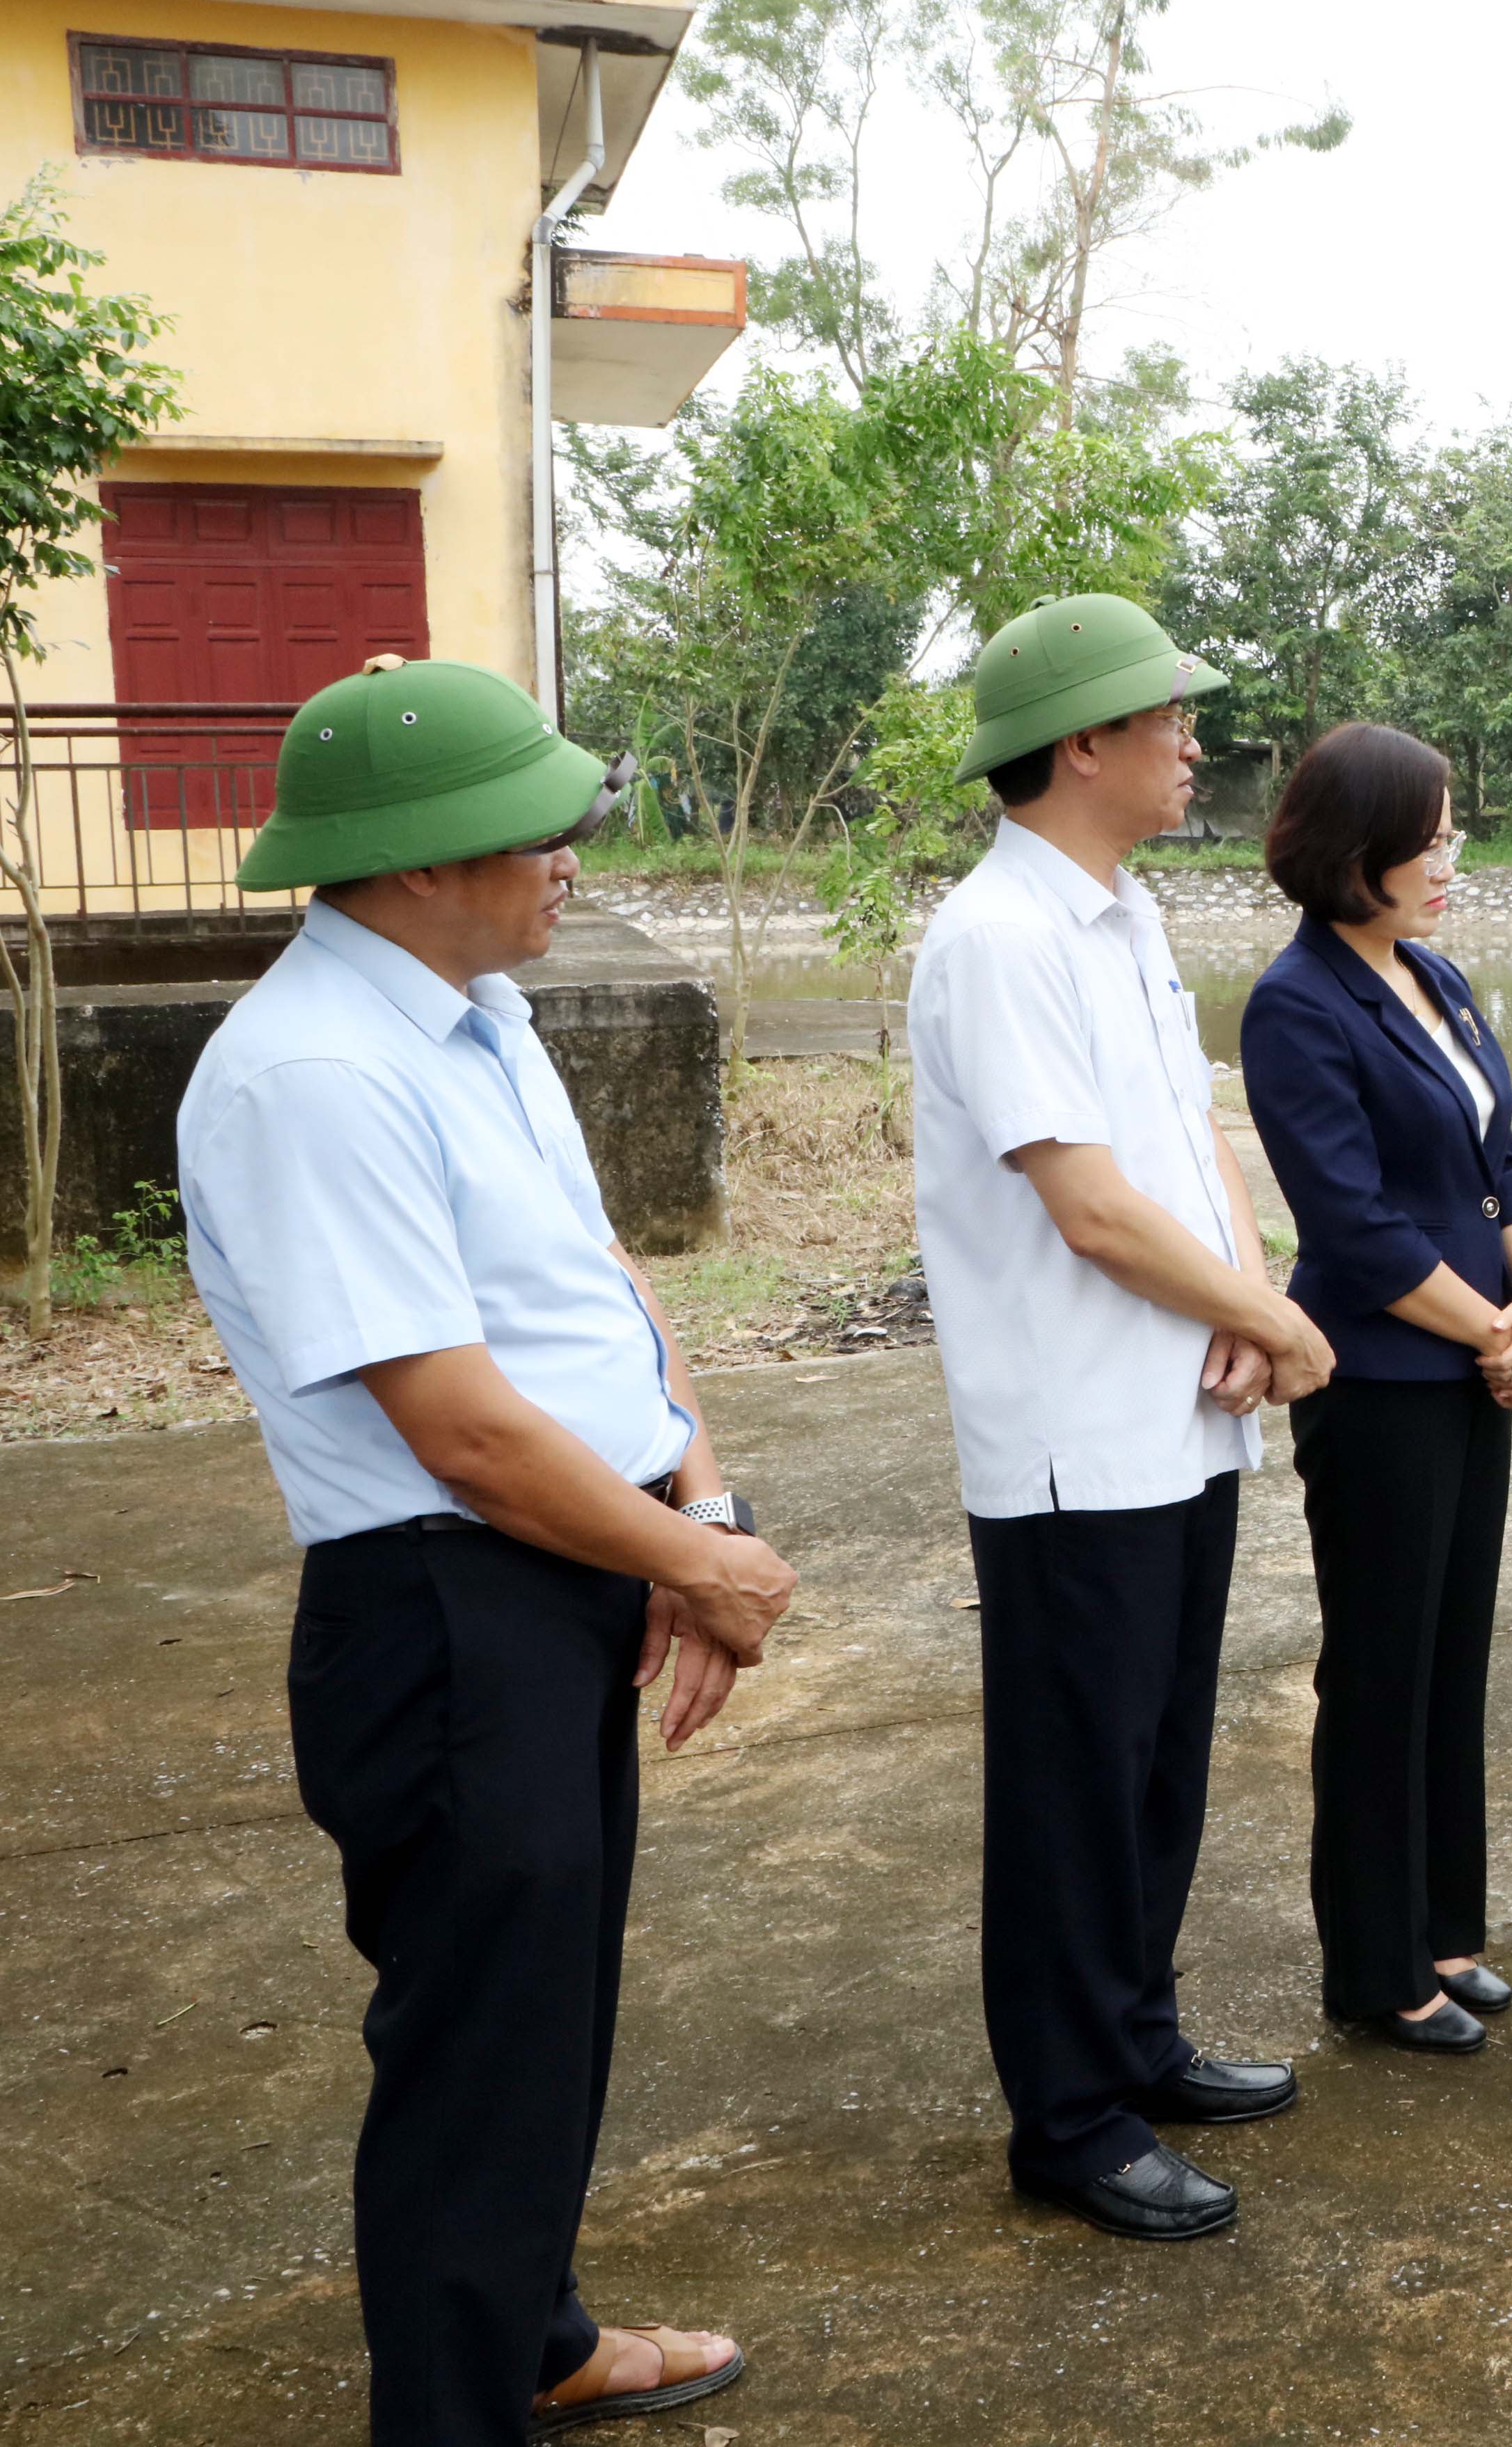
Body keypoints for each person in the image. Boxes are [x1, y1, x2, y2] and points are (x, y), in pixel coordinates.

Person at [176, 655, 794, 2444]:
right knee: (472, 2055)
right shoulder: (312, 1072)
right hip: (448, 1602)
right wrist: (695, 1568)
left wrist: (699, 1501)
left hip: (563, 1561)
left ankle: (538, 2334)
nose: (575, 857)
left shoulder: (477, 1010)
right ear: (423, 857)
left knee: (547, 2015)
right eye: (546, 827)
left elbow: (592, 1292)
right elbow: (456, 1424)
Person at [908, 593, 1336, 2242]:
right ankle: (1069, 2117)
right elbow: (1083, 1206)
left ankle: (1137, 2038)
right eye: (1166, 717)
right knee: (1076, 1782)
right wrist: (1266, 1320)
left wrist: (1244, 1292)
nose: (1193, 742)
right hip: (1074, 1434)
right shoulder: (1000, 938)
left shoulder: (1121, 915)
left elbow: (1187, 1139)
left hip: (1177, 1403)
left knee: (1156, 1760)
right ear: (1080, 742)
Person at [1240, 726, 1512, 2055]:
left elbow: (1508, 1156)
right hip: (1379, 1381)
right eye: (1426, 839)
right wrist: (1494, 1326)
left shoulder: (1438, 975)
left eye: (1452, 834)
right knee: (1379, 1669)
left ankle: (1442, 1928)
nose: (1447, 859)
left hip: (1475, 1369)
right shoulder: (1298, 1003)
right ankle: (1374, 1969)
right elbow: (1355, 1228)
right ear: (1350, 850)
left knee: (1453, 1654)